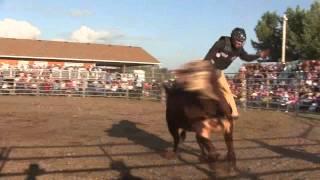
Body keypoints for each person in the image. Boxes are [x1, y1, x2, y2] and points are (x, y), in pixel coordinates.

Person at [203, 27, 269, 120]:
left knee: (227, 91)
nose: (240, 44)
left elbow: (246, 57)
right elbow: (208, 56)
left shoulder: (240, 50)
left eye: (242, 42)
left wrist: (259, 55)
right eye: (238, 41)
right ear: (233, 39)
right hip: (209, 70)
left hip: (219, 72)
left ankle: (234, 112)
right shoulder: (222, 43)